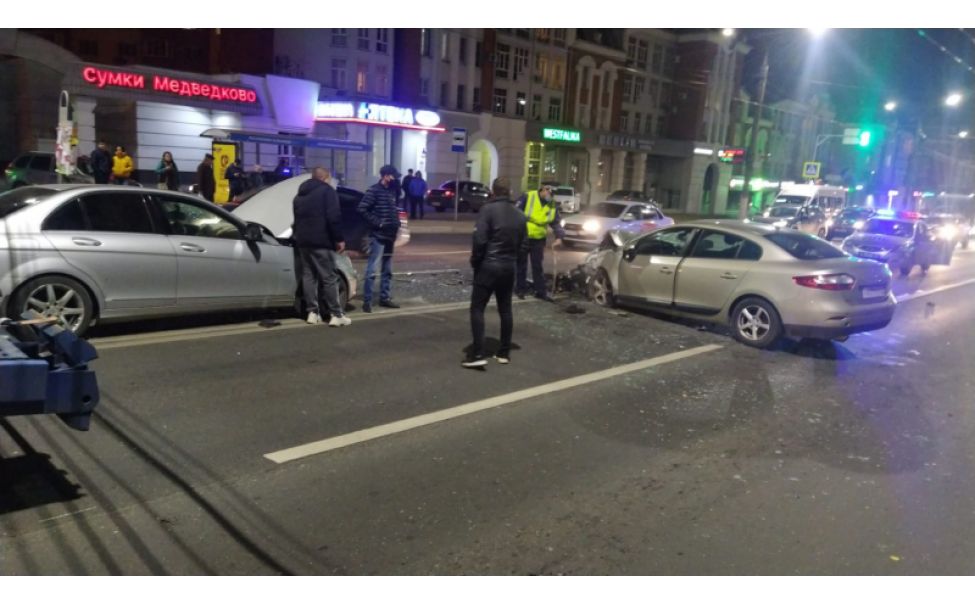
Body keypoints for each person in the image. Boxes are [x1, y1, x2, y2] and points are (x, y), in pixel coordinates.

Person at [463, 177, 528, 369]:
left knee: (477, 308)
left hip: (488, 266)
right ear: (510, 191)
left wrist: (476, 262)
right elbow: (524, 245)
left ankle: (478, 353)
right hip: (508, 267)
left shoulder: (487, 210)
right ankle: (504, 352)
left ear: (493, 191)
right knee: (505, 309)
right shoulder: (519, 214)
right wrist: (513, 260)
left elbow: (480, 240)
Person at [292, 167, 351, 327]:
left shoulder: (299, 195)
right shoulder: (328, 192)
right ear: (325, 177)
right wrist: (339, 239)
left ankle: (312, 312)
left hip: (303, 242)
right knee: (329, 277)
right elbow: (334, 217)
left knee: (309, 276)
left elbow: (296, 221)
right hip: (322, 241)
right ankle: (336, 314)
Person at [357, 165, 402, 313]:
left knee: (387, 269)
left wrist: (396, 223)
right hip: (378, 235)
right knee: (372, 270)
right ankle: (367, 301)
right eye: (393, 176)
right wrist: (379, 223)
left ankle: (385, 298)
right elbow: (362, 209)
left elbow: (394, 209)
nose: (395, 179)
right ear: (385, 175)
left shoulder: (392, 191)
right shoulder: (374, 190)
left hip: (390, 234)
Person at [516, 184, 565, 302]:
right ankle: (520, 289)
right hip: (524, 236)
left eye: (552, 195)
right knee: (521, 265)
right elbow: (515, 213)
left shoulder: (552, 204)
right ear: (543, 189)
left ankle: (540, 291)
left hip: (539, 238)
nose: (550, 197)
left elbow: (555, 222)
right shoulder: (528, 196)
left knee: (537, 266)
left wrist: (559, 236)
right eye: (549, 193)